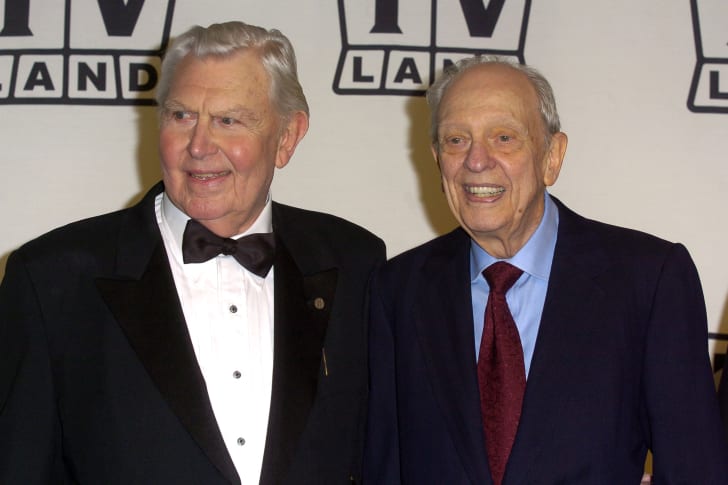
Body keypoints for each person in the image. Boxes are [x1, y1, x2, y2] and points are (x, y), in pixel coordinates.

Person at [0, 21, 385, 484]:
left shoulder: (356, 262)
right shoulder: (51, 281)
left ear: (287, 137)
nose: (199, 146)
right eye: (181, 116)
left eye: (229, 120)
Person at [363, 55, 728, 484]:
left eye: (504, 137)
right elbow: (384, 469)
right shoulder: (398, 290)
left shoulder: (649, 281)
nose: (476, 161)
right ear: (437, 160)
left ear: (552, 156)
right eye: (456, 140)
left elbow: (696, 471)